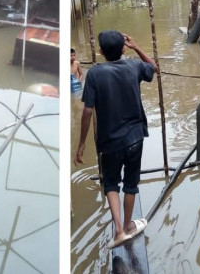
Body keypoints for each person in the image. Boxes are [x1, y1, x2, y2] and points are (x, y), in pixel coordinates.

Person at [75, 30, 157, 248]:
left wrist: (82, 143)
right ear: (123, 48)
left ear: (101, 51)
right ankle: (129, 225)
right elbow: (154, 67)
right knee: (131, 184)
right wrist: (137, 46)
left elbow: (87, 111)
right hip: (135, 138)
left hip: (110, 142)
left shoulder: (95, 74)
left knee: (111, 183)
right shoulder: (133, 66)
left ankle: (119, 230)